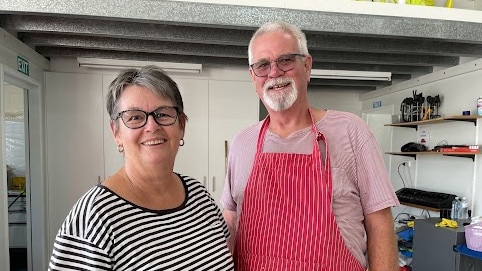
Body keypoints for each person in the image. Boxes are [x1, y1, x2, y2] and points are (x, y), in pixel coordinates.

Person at [221, 21, 400, 271]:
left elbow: (379, 223)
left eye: (286, 60)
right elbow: (230, 219)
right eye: (262, 65)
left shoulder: (352, 131)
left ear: (307, 66)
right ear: (253, 77)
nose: (274, 73)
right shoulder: (243, 142)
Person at [49, 66, 234, 270]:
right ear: (116, 132)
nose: (152, 126)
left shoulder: (199, 196)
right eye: (135, 117)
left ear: (181, 126)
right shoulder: (94, 217)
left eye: (163, 114)